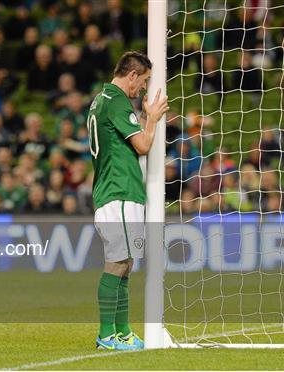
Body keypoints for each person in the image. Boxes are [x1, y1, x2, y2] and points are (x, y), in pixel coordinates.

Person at [87, 51, 168, 350]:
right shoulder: (117, 101)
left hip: (120, 190)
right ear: (132, 75)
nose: (143, 89)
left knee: (127, 263)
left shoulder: (100, 100)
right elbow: (144, 145)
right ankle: (107, 335)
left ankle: (122, 333)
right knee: (117, 263)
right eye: (144, 81)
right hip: (118, 191)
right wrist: (153, 118)